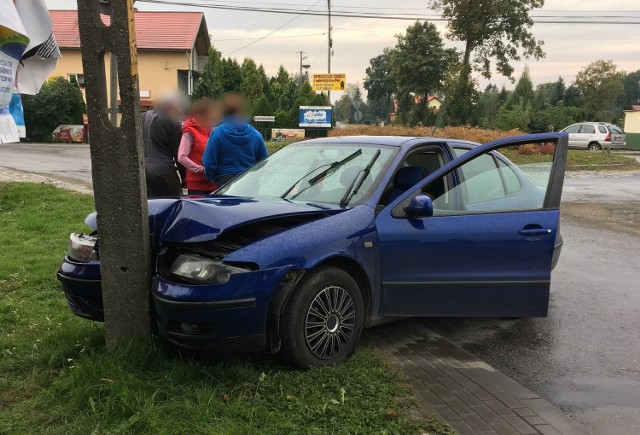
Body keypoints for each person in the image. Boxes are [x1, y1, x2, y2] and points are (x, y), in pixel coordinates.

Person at [202, 93, 268, 186]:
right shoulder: (255, 134)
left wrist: (213, 178)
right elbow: (263, 161)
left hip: (224, 181)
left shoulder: (218, 133)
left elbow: (208, 161)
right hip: (249, 181)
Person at [142, 91, 188, 197]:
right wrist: (184, 176)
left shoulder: (142, 117)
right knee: (174, 202)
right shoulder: (172, 119)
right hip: (164, 170)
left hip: (143, 170)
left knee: (149, 206)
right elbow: (178, 151)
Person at [178, 98, 221, 195]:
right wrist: (200, 169)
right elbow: (181, 156)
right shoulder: (190, 132)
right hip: (196, 185)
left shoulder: (213, 130)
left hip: (213, 183)